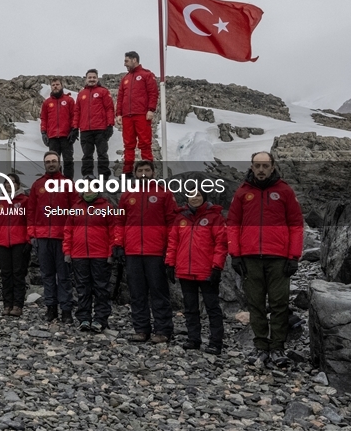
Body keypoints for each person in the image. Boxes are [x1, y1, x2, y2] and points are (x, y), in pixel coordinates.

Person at [227, 152, 304, 369]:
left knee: (279, 303)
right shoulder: (243, 192)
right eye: (257, 165)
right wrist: (235, 254)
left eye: (265, 166)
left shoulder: (284, 191)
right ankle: (261, 346)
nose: (261, 169)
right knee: (256, 304)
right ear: (251, 166)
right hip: (250, 258)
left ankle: (278, 347)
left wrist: (293, 256)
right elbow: (233, 224)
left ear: (272, 167)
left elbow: (296, 225)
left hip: (278, 258)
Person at [119, 160, 177, 343]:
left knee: (159, 291)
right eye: (140, 170)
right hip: (133, 251)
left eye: (147, 170)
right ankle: (141, 329)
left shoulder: (164, 194)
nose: (143, 173)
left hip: (156, 251)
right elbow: (120, 223)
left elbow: (172, 222)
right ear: (135, 173)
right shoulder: (127, 195)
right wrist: (119, 245)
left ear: (153, 172)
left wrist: (169, 249)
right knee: (137, 292)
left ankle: (163, 330)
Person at [166, 191, 228, 354]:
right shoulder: (181, 218)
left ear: (204, 197)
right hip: (185, 270)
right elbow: (173, 242)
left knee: (212, 307)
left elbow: (221, 244)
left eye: (198, 195)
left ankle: (216, 341)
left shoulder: (214, 217)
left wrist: (217, 267)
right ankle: (194, 339)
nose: (195, 198)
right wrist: (170, 264)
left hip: (206, 270)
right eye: (191, 195)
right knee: (190, 307)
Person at [28, 151, 78, 323]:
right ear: (44, 164)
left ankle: (66, 310)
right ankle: (51, 309)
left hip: (62, 238)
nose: (51, 164)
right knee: (47, 275)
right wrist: (32, 233)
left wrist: (71, 234)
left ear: (59, 163)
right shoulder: (37, 185)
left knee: (64, 275)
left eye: (54, 161)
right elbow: (31, 211)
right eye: (48, 161)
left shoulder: (68, 184)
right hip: (42, 238)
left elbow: (75, 211)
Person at [64, 187, 122, 332]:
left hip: (100, 255)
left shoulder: (106, 207)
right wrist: (67, 251)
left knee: (101, 288)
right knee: (82, 288)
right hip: (79, 254)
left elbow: (113, 230)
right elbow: (68, 231)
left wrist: (111, 253)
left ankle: (100, 319)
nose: (88, 191)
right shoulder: (75, 208)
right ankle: (84, 318)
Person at [0, 173, 31, 317]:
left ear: (18, 184)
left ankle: (17, 305)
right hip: (2, 242)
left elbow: (30, 221)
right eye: (6, 182)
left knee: (18, 274)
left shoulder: (24, 201)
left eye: (12, 182)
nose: (9, 185)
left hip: (19, 242)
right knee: (5, 275)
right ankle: (7, 304)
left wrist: (29, 240)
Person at [114, 52, 159, 174]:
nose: (124, 64)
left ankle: (148, 172)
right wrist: (118, 114)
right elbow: (120, 97)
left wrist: (151, 109)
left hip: (141, 114)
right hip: (127, 116)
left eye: (126, 61)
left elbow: (153, 93)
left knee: (145, 143)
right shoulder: (125, 79)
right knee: (128, 144)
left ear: (134, 60)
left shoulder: (146, 75)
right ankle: (127, 172)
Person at [73, 69, 116, 179]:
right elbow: (77, 111)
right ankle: (88, 175)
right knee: (87, 155)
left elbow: (109, 109)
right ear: (86, 79)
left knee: (102, 154)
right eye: (90, 77)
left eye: (94, 77)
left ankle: (104, 177)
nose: (92, 79)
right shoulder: (81, 94)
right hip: (85, 129)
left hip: (101, 129)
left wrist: (110, 125)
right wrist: (75, 127)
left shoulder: (103, 91)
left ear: (97, 79)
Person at [39, 77, 78, 179]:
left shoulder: (69, 100)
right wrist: (43, 132)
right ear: (51, 87)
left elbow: (74, 115)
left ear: (61, 85)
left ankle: (68, 183)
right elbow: (44, 118)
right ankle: (56, 182)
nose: (55, 86)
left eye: (57, 84)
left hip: (67, 136)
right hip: (52, 137)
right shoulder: (47, 103)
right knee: (54, 161)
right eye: (53, 85)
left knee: (68, 160)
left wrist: (74, 129)